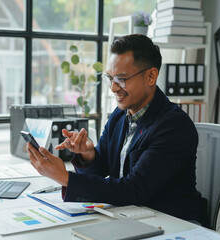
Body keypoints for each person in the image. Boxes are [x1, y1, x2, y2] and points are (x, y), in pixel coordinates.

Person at [26, 34, 202, 222]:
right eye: (110, 78)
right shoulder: (120, 115)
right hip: (131, 216)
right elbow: (101, 170)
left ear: (151, 76)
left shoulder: (173, 126)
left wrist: (65, 178)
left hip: (172, 221)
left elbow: (134, 189)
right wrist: (88, 154)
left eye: (121, 79)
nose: (113, 88)